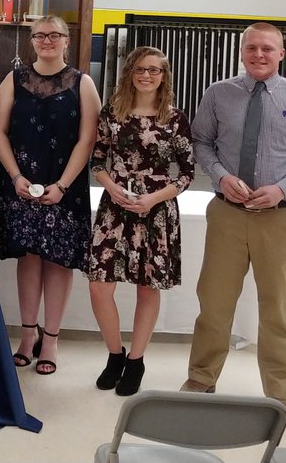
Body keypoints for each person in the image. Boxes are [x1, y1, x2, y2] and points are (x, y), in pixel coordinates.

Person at [182, 22, 286, 424]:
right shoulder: (218, 94)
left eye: (268, 48)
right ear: (242, 51)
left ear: (281, 54)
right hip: (227, 215)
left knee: (277, 310)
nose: (259, 55)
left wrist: (282, 189)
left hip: (278, 220)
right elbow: (200, 142)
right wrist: (221, 176)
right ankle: (200, 379)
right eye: (252, 48)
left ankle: (280, 394)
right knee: (213, 302)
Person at [0, 15, 101, 375]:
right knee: (29, 258)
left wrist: (63, 186)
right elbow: (0, 134)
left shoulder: (83, 83)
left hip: (64, 187)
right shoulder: (13, 80)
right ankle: (28, 335)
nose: (47, 40)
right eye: (40, 35)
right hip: (21, 182)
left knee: (57, 262)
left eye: (54, 35)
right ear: (32, 40)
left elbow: (88, 140)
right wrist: (15, 176)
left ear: (66, 41)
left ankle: (51, 339)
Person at [88, 46, 194, 396]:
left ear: (164, 77)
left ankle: (136, 360)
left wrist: (153, 198)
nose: (147, 76)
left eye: (154, 70)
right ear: (129, 73)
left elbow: (187, 174)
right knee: (99, 285)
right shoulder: (111, 113)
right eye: (140, 70)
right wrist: (113, 189)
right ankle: (114, 354)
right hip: (115, 207)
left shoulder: (175, 118)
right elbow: (98, 162)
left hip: (156, 210)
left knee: (147, 286)